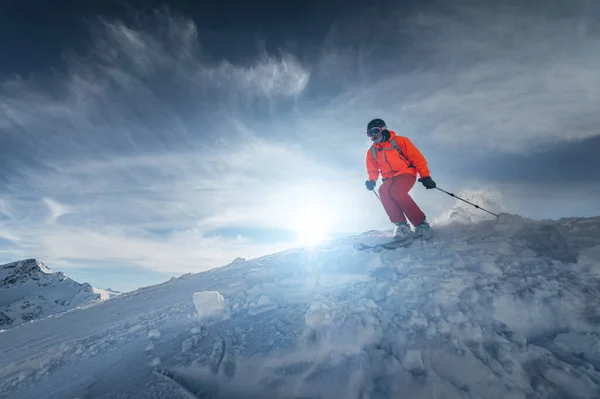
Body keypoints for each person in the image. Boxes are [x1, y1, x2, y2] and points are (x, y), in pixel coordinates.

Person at [364, 118, 436, 241]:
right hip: (389, 179)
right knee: (383, 192)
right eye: (369, 133)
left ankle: (421, 225)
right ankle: (402, 226)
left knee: (396, 191)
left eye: (375, 131)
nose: (372, 136)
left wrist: (425, 176)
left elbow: (417, 159)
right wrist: (372, 180)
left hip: (406, 173)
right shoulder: (372, 151)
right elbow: (373, 170)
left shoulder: (399, 141)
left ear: (383, 129)